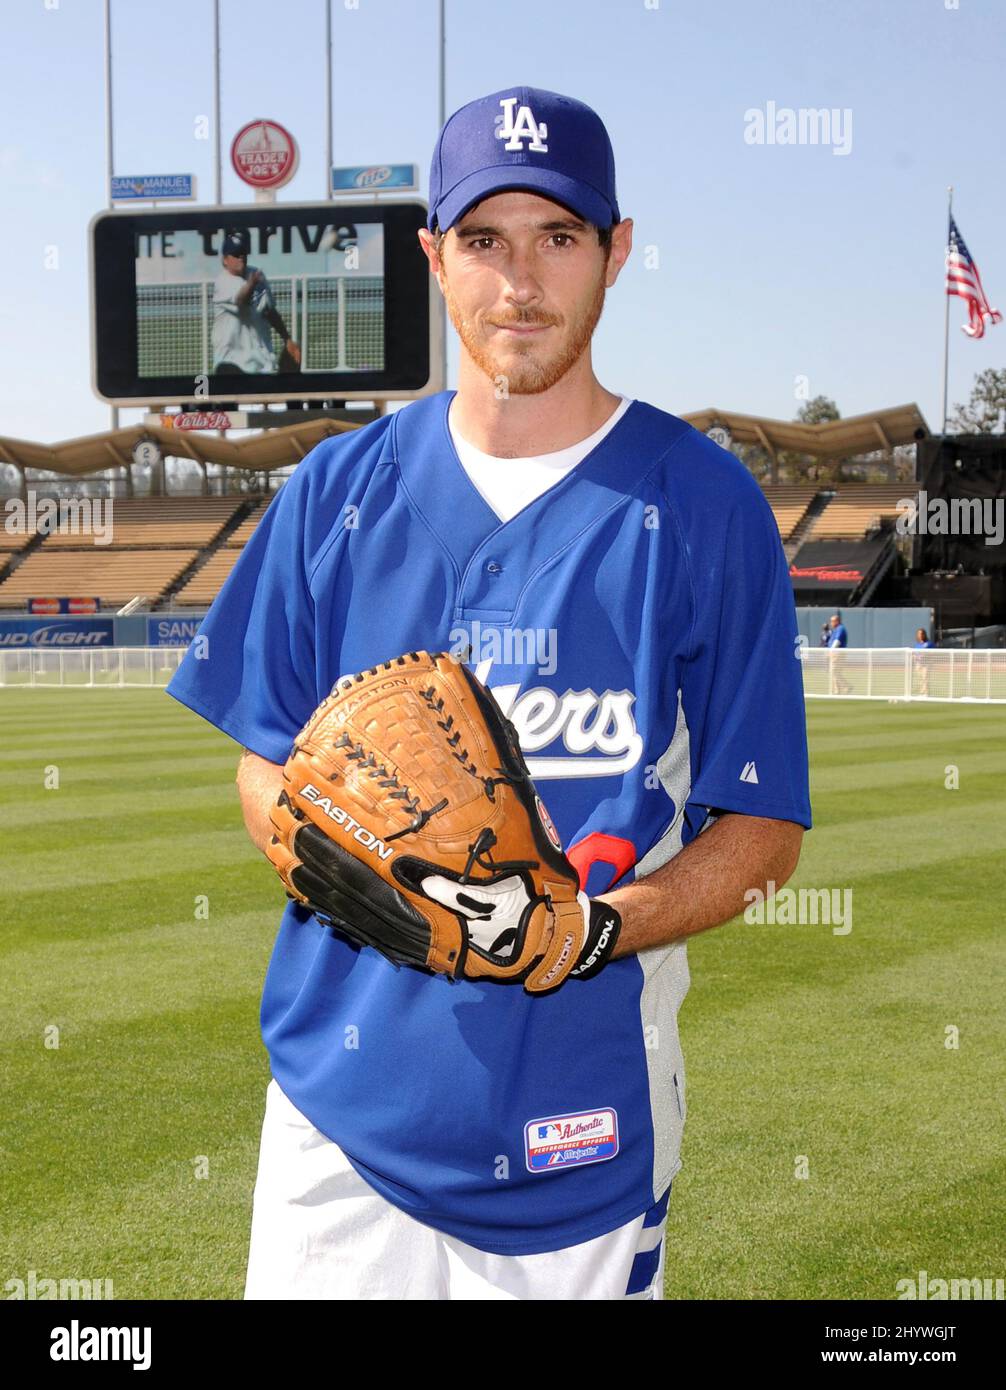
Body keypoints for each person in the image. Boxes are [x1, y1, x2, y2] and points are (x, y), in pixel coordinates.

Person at [166, 85, 811, 1301]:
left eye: (558, 237)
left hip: (583, 1134)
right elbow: (268, 761)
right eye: (483, 240)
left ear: (616, 252)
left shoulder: (704, 505)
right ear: (432, 258)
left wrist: (590, 925)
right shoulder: (335, 489)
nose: (519, 280)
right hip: (338, 1132)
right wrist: (342, 864)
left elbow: (763, 830)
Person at [211, 228, 300, 375]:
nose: (241, 257)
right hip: (231, 362)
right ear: (225, 260)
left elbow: (269, 310)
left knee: (294, 364)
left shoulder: (256, 275)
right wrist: (251, 284)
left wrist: (287, 338)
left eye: (243, 253)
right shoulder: (223, 281)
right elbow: (240, 300)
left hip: (261, 362)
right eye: (236, 254)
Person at [826, 611, 852, 694]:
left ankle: (846, 686)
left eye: (832, 621)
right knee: (834, 671)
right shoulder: (836, 629)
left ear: (837, 621)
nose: (831, 623)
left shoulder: (840, 628)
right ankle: (837, 690)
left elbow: (837, 641)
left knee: (834, 671)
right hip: (834, 653)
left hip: (837, 653)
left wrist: (831, 651)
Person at [913, 627, 934, 696]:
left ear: (924, 635)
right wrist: (914, 657)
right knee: (920, 679)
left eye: (922, 634)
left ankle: (926, 693)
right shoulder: (917, 645)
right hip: (919, 664)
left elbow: (934, 653)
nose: (920, 635)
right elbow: (915, 654)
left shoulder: (929, 644)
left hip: (926, 664)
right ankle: (921, 692)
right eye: (919, 634)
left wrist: (926, 655)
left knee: (925, 678)